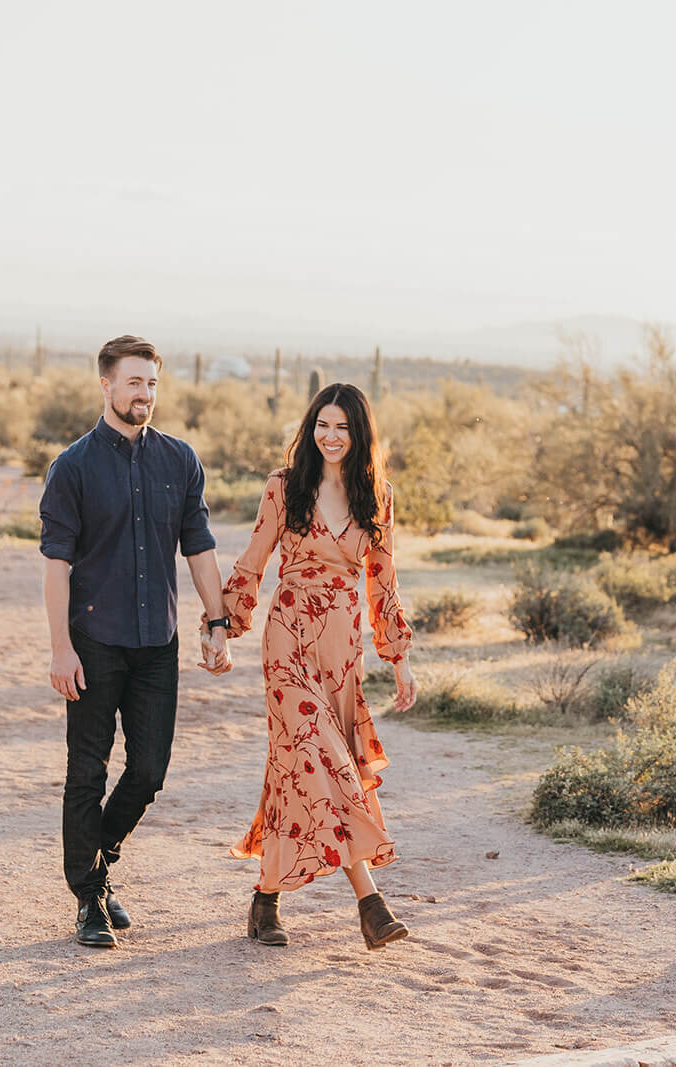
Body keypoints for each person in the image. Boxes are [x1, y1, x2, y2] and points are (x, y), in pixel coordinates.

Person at [206, 382, 417, 950]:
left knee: (296, 769)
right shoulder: (285, 486)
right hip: (289, 641)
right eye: (322, 424)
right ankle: (370, 903)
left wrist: (398, 661)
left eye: (342, 427)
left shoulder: (378, 496)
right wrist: (222, 627)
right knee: (322, 758)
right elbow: (252, 563)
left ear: (359, 434)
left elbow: (383, 585)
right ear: (310, 427)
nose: (330, 436)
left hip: (342, 651)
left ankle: (265, 901)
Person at [39, 335, 231, 948]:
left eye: (151, 383)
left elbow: (199, 549)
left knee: (148, 771)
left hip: (157, 644)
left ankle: (99, 868)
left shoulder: (179, 460)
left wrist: (217, 621)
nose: (143, 394)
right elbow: (55, 568)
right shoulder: (71, 467)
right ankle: (89, 899)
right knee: (86, 772)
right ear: (105, 385)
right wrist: (60, 649)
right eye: (132, 383)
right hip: (93, 642)